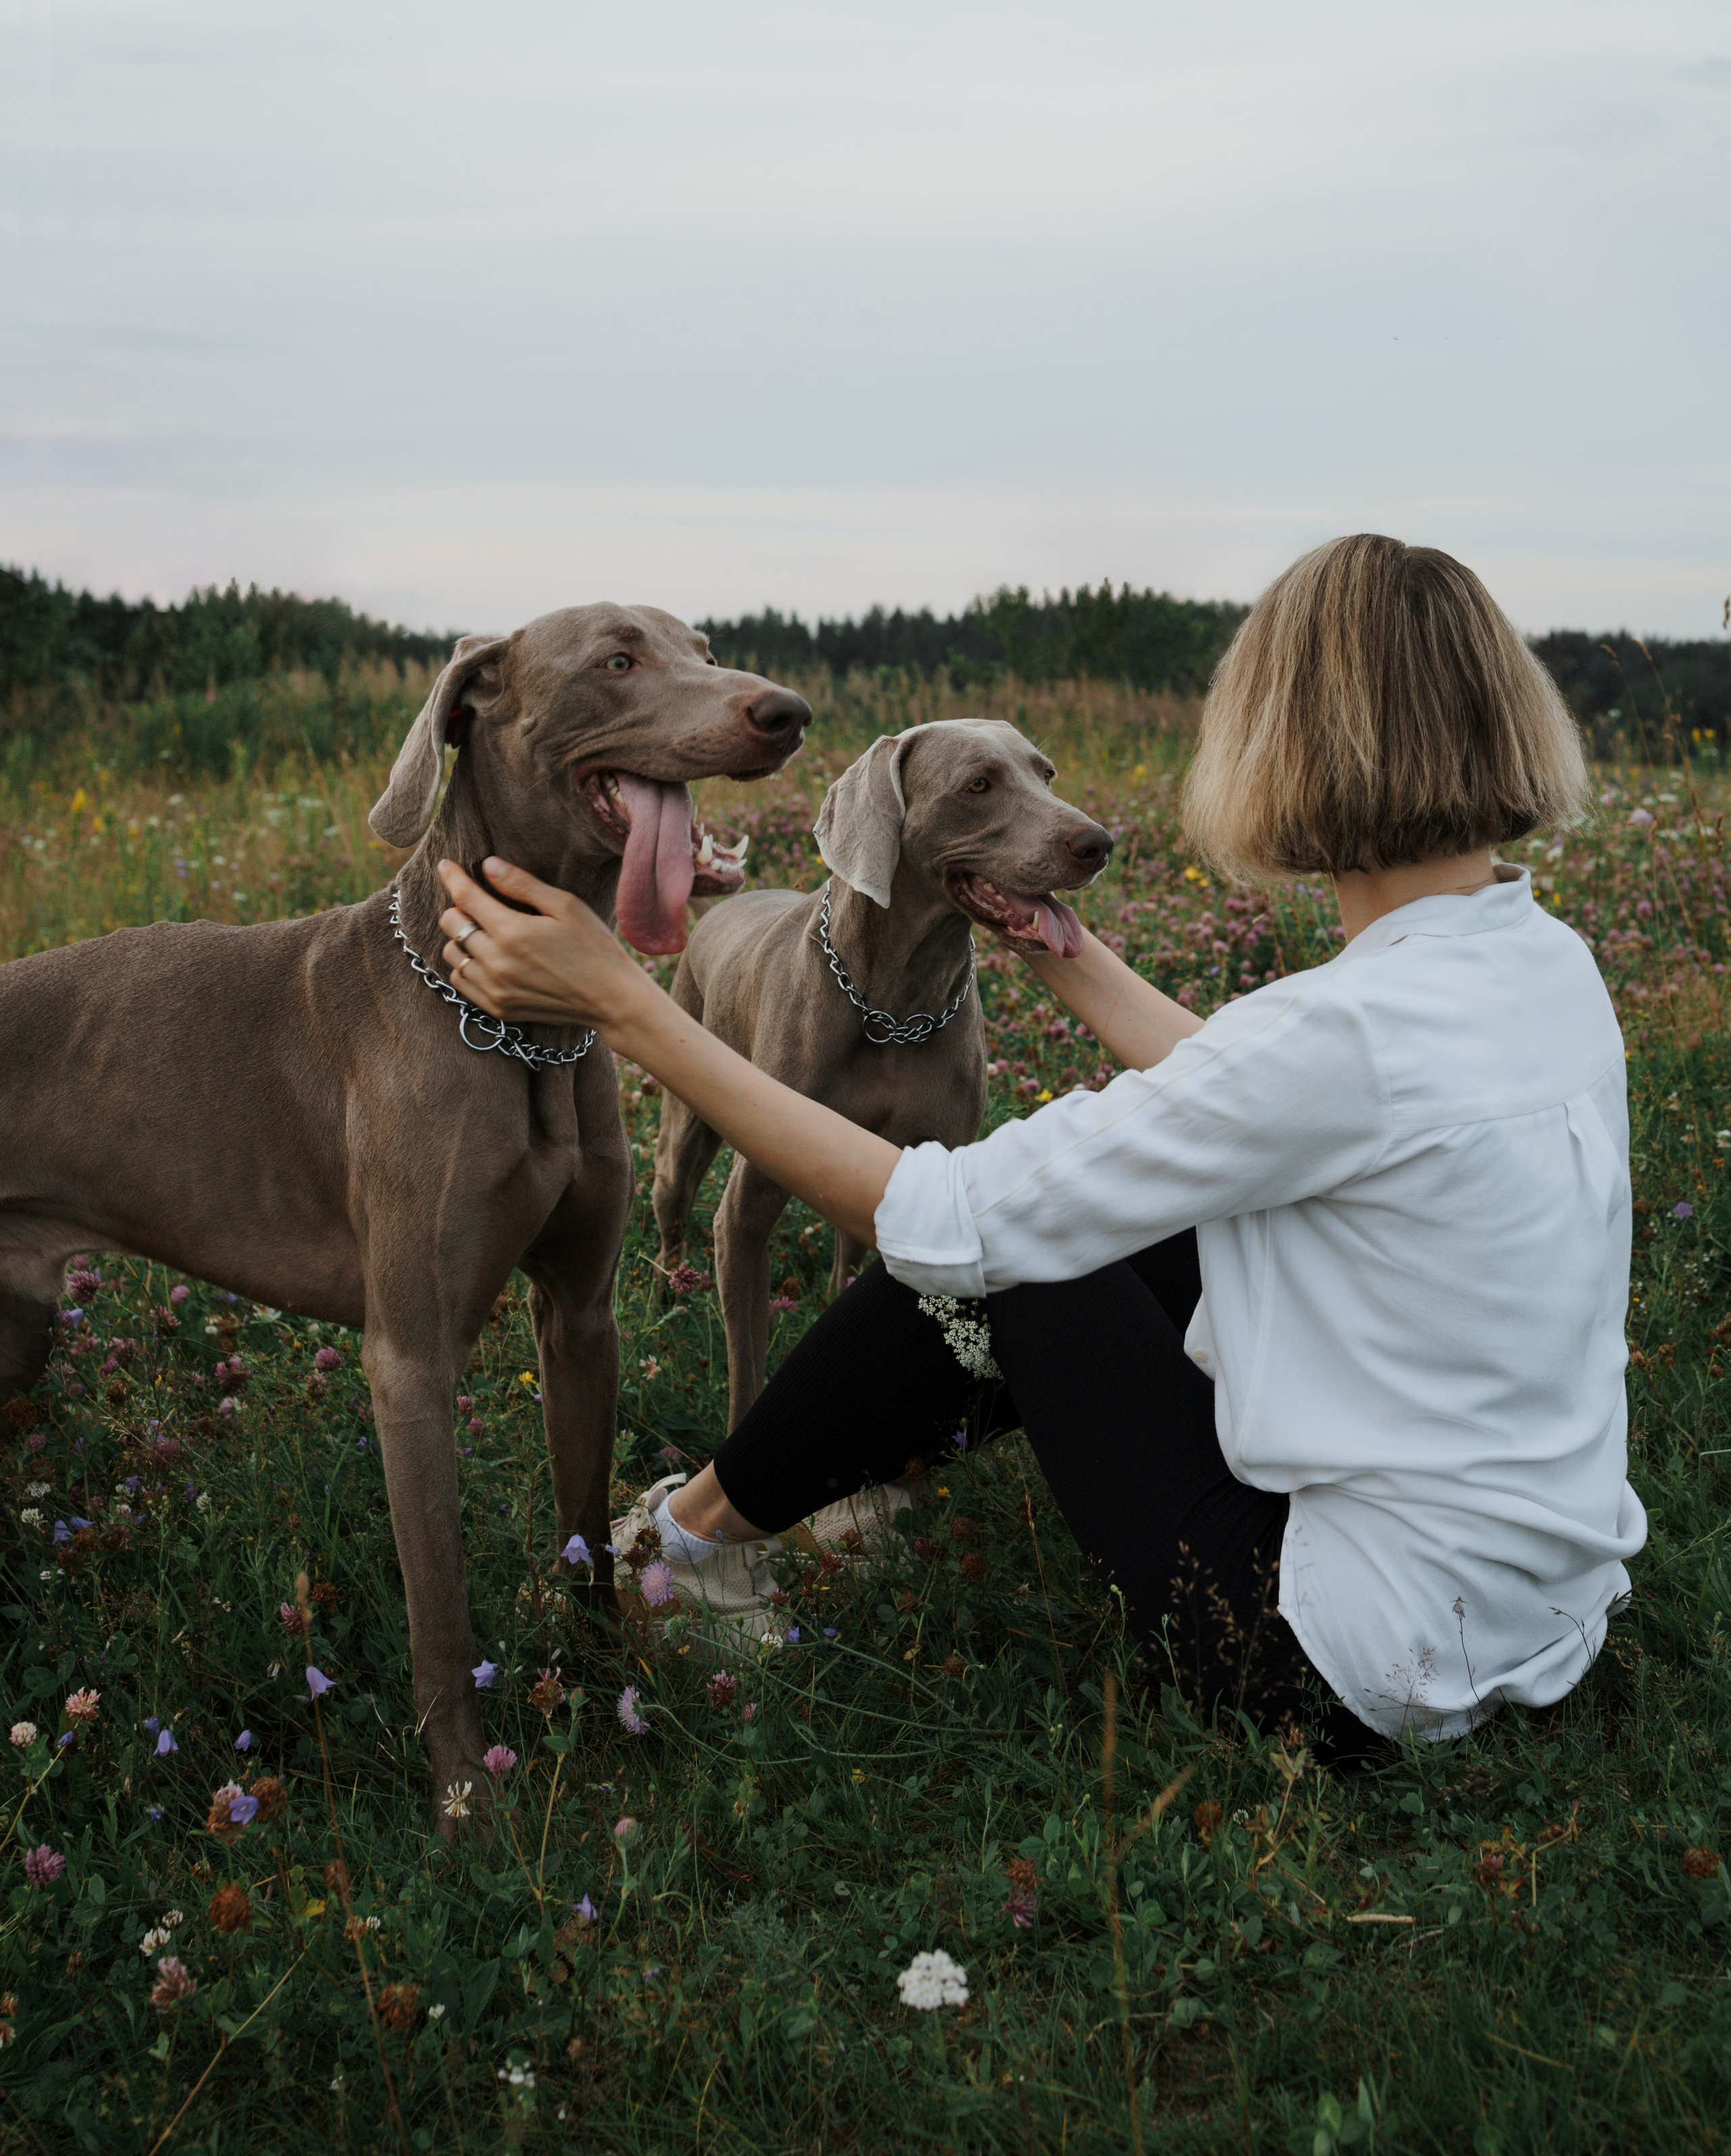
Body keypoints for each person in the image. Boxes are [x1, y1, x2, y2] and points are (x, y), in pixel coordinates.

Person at [436, 534, 1644, 1758]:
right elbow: (1267, 1095)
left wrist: (625, 1006)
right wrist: (1043, 934)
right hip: (1544, 1614)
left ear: (1292, 744)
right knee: (1141, 1211)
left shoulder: (1345, 1035)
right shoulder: (1540, 964)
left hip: (1342, 1666)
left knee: (1014, 1250)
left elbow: (953, 1219)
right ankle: (841, 1495)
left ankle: (686, 1543)